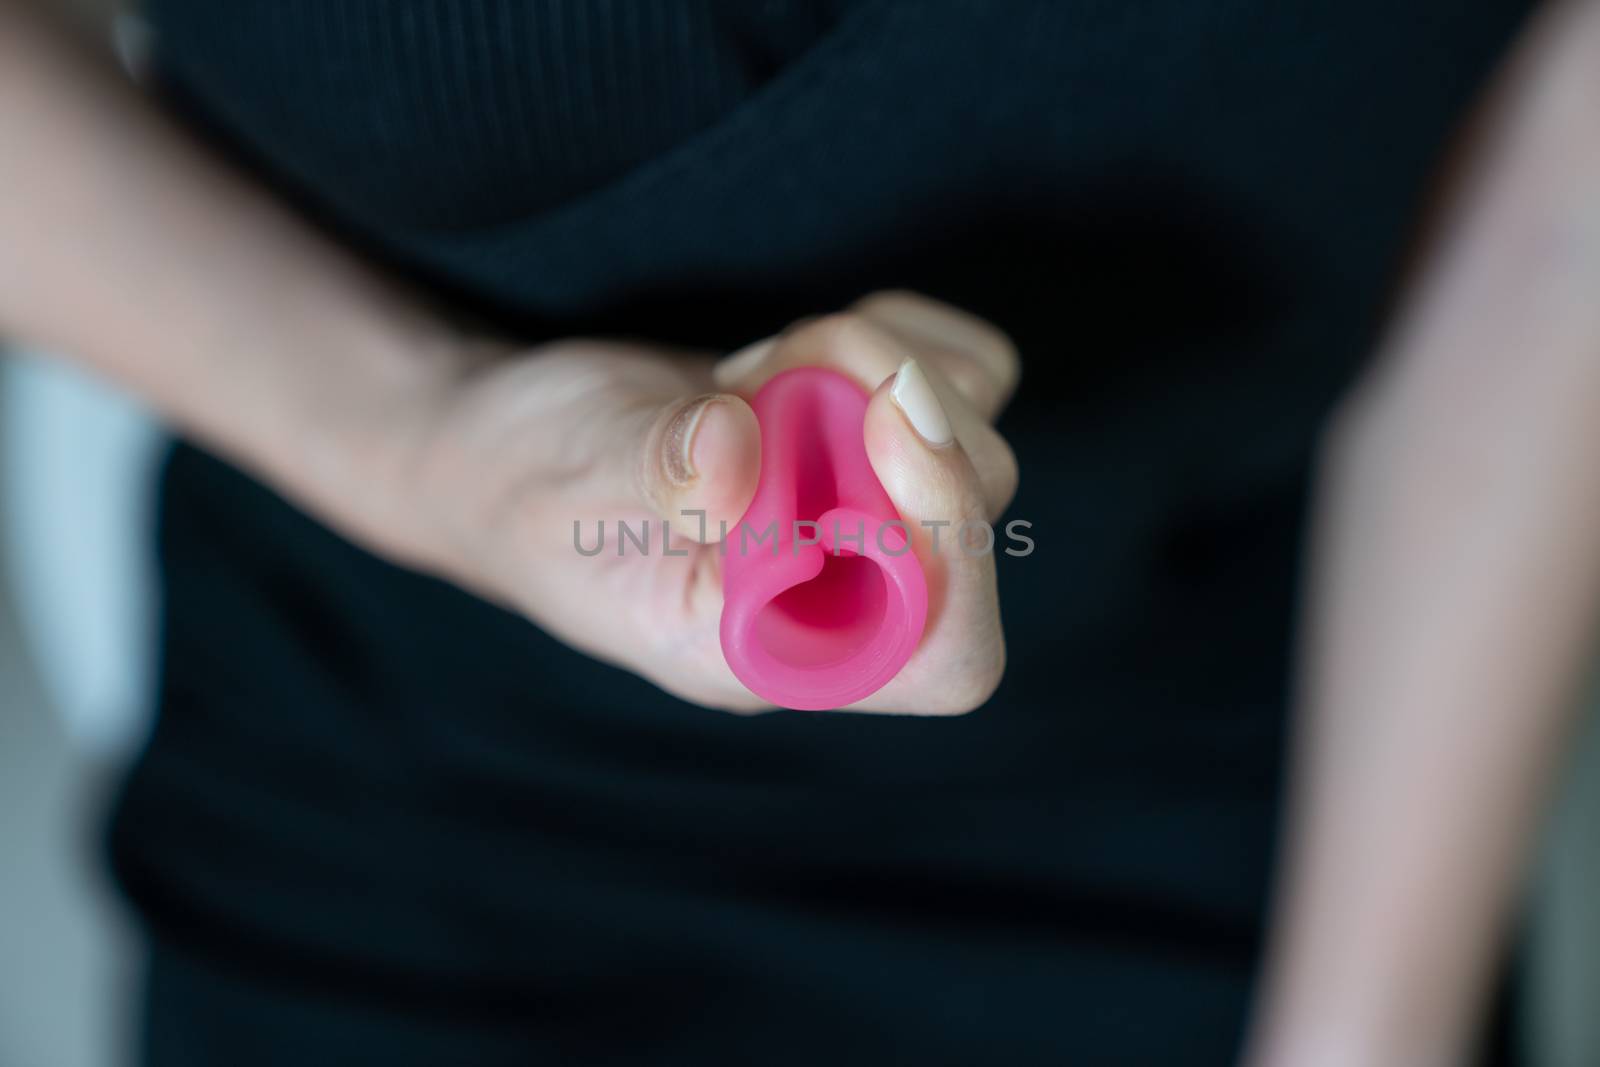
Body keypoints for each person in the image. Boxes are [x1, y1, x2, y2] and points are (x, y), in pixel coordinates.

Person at [2, 0, 1598, 1063]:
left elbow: (1560, 182)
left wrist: (1360, 1034)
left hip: (1293, 733)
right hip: (406, 750)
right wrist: (431, 445)